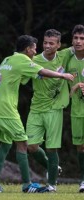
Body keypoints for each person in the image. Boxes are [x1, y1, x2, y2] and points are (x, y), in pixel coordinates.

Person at [0, 34, 74, 193]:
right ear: (27, 49)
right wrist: (63, 75)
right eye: (34, 48)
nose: (36, 51)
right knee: (23, 144)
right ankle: (27, 185)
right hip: (7, 110)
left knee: (5, 144)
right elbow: (43, 71)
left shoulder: (7, 59)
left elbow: (9, 78)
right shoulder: (23, 60)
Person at [26, 29, 74, 192]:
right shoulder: (34, 60)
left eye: (51, 43)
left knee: (52, 148)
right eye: (45, 42)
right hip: (36, 108)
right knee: (31, 146)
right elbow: (17, 74)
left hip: (55, 108)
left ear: (59, 45)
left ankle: (52, 185)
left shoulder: (64, 55)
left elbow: (79, 44)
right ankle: (52, 166)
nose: (47, 46)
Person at [66, 24, 84, 193]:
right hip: (77, 111)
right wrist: (72, 90)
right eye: (76, 38)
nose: (78, 41)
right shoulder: (68, 59)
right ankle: (83, 180)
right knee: (80, 147)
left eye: (82, 38)